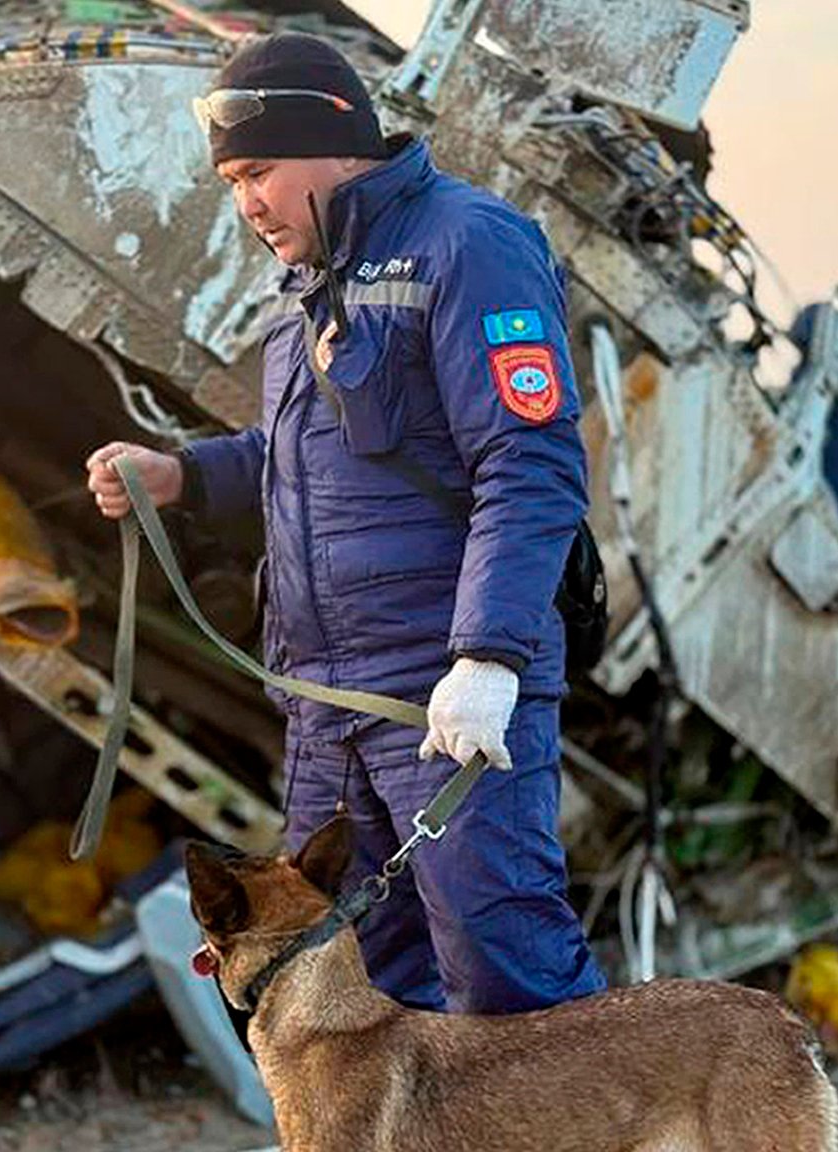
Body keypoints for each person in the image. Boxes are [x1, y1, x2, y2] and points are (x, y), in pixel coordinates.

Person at [85, 32, 605, 1015]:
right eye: (232, 180)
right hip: (327, 712)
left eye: (258, 171)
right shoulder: (312, 285)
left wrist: (488, 660)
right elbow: (307, 458)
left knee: (508, 983)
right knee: (355, 999)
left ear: (335, 140)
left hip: (438, 700)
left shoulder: (470, 244)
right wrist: (181, 476)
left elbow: (528, 459)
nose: (246, 203)